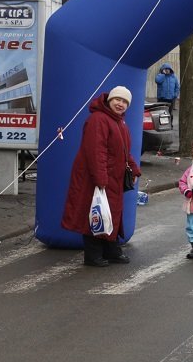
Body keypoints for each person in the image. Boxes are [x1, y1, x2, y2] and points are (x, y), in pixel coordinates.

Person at [60, 86, 142, 266]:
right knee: (95, 214)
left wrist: (134, 169)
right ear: (109, 99)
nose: (120, 104)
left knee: (110, 214)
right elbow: (95, 152)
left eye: (124, 102)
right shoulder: (98, 120)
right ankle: (93, 255)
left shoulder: (118, 121)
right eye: (117, 100)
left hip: (112, 178)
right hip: (96, 178)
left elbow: (123, 151)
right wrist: (100, 178)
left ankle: (111, 250)